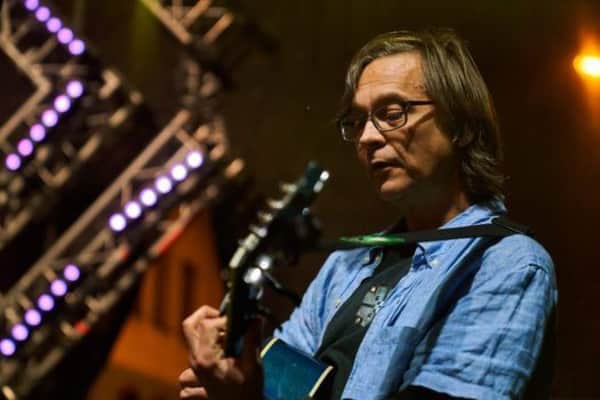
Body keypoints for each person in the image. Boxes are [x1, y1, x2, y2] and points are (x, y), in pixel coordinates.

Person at [179, 29, 557, 400]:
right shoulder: (345, 265)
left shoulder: (507, 265)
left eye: (392, 114)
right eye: (358, 121)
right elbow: (277, 385)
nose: (367, 138)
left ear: (460, 125)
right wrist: (230, 380)